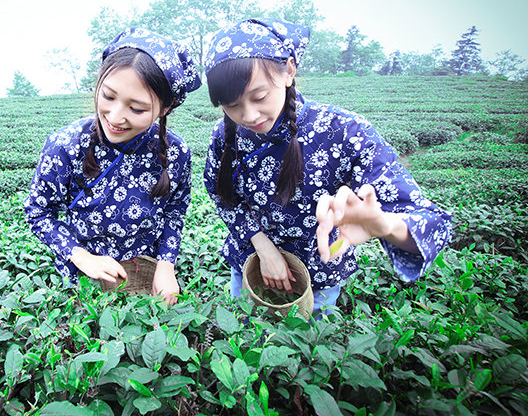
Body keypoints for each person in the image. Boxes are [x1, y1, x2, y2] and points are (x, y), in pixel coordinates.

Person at [202, 18, 452, 316]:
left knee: (306, 355)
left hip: (317, 275)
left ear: (289, 71)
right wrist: (262, 247)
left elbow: (432, 222)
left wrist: (385, 225)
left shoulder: (345, 131)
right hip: (250, 265)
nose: (249, 115)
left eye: (259, 96)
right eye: (232, 105)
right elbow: (222, 195)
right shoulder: (225, 132)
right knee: (244, 340)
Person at [24, 27, 202, 305]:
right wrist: (83, 258)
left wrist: (166, 265)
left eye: (137, 109)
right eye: (108, 96)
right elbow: (38, 212)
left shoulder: (175, 152)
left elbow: (174, 211)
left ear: (165, 108)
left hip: (147, 270)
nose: (115, 117)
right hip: (84, 274)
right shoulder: (66, 146)